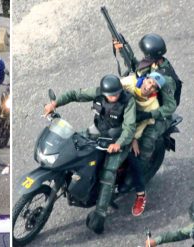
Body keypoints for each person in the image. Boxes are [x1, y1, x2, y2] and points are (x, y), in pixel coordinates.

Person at [44, 75, 136, 234]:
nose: (114, 97)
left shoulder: (128, 101)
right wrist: (55, 103)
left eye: (117, 93)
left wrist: (118, 144)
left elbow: (129, 128)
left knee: (108, 172)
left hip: (118, 139)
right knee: (73, 142)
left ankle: (100, 214)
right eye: (111, 94)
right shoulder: (98, 92)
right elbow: (75, 94)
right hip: (98, 130)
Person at [115, 34, 180, 181]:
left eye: (146, 55)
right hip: (145, 100)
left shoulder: (167, 79)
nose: (144, 57)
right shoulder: (153, 63)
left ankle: (138, 175)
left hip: (160, 113)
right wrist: (121, 50)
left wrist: (149, 115)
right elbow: (138, 69)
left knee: (147, 140)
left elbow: (170, 107)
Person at [121, 72, 166, 216]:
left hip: (132, 130)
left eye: (154, 87)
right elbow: (114, 85)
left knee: (135, 160)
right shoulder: (131, 81)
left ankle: (141, 195)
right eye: (149, 82)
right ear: (144, 79)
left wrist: (133, 139)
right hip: (115, 120)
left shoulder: (153, 106)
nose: (149, 86)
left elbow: (140, 125)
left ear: (155, 92)